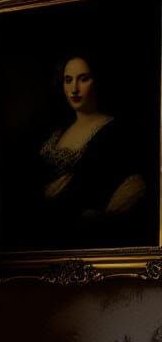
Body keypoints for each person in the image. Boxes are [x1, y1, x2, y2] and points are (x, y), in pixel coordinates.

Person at [36, 53, 148, 249]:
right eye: (68, 80)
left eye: (84, 79)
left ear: (97, 81)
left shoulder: (113, 131)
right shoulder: (58, 130)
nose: (74, 89)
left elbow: (131, 187)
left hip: (83, 240)